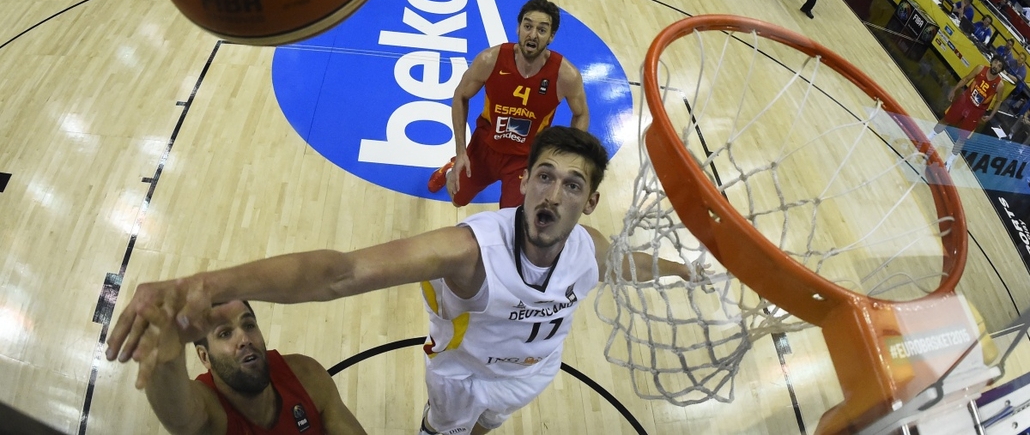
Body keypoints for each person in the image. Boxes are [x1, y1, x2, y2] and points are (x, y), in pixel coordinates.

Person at [106, 127, 706, 435]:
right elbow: (341, 273)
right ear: (523, 183)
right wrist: (207, 284)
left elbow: (627, 265)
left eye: (571, 185)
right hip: (463, 378)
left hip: (530, 377)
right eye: (543, 177)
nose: (553, 194)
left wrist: (682, 269)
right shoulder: (469, 251)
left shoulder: (589, 248)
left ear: (591, 201)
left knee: (490, 425)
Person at [427, 0, 589, 208]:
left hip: (526, 159)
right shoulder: (490, 60)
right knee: (457, 200)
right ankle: (450, 167)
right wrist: (460, 152)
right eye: (528, 26)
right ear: (518, 28)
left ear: (551, 36)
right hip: (484, 148)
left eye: (542, 30)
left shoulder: (566, 76)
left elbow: (581, 114)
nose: (532, 34)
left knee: (510, 219)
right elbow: (460, 95)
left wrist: (570, 155)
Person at [136, 299, 366, 434]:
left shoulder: (306, 375)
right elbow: (177, 415)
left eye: (248, 324)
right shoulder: (209, 410)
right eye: (225, 333)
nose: (245, 338)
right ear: (204, 357)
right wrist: (161, 355)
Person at [927, 56, 1005, 171]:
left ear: (1000, 70)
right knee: (946, 119)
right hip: (964, 101)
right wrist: (954, 90)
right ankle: (928, 137)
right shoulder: (980, 68)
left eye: (999, 66)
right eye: (996, 63)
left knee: (962, 137)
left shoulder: (1000, 85)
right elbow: (966, 79)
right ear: (992, 61)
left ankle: (949, 162)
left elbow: (998, 101)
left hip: (976, 112)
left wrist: (991, 116)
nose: (996, 66)